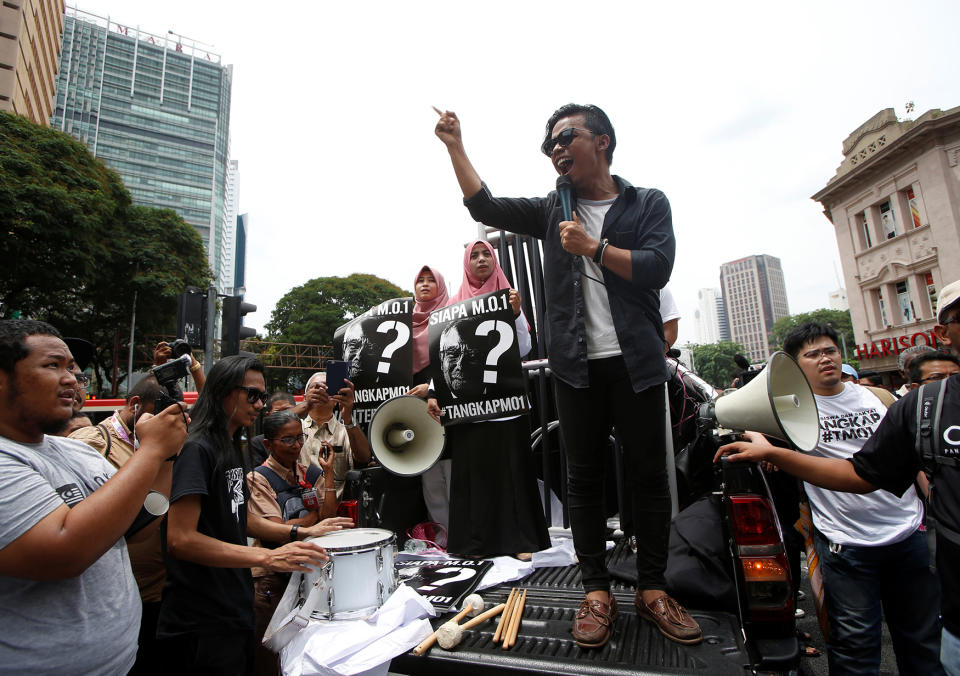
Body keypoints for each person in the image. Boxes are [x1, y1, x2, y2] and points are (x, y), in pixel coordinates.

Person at [435, 103, 696, 647]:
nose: (554, 149)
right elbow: (484, 204)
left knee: (649, 477)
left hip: (638, 364)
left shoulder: (647, 202)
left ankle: (652, 589)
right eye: (548, 144)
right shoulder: (553, 209)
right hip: (576, 368)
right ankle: (596, 592)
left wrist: (594, 248)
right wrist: (456, 146)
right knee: (582, 479)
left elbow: (657, 267)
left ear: (601, 140)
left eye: (564, 137)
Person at [718, 321, 943, 676]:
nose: (825, 359)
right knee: (855, 648)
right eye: (813, 354)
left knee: (922, 642)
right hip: (846, 546)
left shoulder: (881, 399)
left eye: (830, 350)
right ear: (795, 365)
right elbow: (758, 426)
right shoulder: (789, 412)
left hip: (907, 535)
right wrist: (757, 439)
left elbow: (910, 458)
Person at [0, 319, 187, 674]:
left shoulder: (77, 454)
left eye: (74, 368)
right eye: (52, 365)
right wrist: (151, 451)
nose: (72, 378)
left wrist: (166, 457)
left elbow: (136, 526)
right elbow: (64, 553)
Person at [158, 355, 328, 676]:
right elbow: (180, 540)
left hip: (232, 607)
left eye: (263, 396)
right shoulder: (198, 449)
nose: (261, 404)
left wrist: (300, 534)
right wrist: (265, 558)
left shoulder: (230, 446)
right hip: (201, 618)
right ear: (223, 391)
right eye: (252, 395)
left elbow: (238, 516)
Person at [428, 239, 549, 560]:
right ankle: (475, 544)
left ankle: (521, 541)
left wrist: (517, 313)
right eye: (475, 255)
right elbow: (441, 355)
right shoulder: (452, 306)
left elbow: (523, 348)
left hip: (505, 407)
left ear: (494, 260)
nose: (481, 259)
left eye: (486, 254)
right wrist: (431, 392)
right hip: (468, 410)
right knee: (474, 477)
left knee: (513, 473)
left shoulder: (509, 298)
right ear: (466, 263)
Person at [70, 375, 168, 676]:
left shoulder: (157, 447)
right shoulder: (92, 443)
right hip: (105, 601)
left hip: (153, 593)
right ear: (135, 406)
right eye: (157, 415)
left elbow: (151, 512)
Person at [247, 410, 353, 676]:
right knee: (270, 659)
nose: (296, 445)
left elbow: (328, 515)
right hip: (272, 579)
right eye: (287, 440)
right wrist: (311, 522)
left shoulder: (310, 472)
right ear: (268, 445)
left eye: (299, 438)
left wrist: (328, 474)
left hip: (303, 575)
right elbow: (275, 531)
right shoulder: (258, 479)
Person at [407, 265, 453, 530]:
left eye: (430, 281)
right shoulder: (405, 323)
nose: (424, 285)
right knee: (429, 472)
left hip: (446, 403)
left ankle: (462, 535)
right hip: (415, 408)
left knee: (451, 469)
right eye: (419, 281)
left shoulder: (451, 314)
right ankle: (443, 535)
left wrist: (432, 388)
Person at [298, 371, 371, 499]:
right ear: (305, 397)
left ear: (337, 398)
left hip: (336, 513)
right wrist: (306, 406)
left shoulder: (347, 431)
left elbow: (364, 457)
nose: (321, 390)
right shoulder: (294, 428)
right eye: (315, 387)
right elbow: (273, 425)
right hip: (299, 511)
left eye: (327, 387)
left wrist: (347, 417)